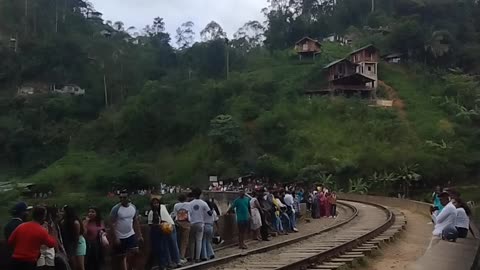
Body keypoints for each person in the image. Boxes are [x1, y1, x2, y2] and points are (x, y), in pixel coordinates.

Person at [110, 190, 144, 270]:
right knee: (122, 256)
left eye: (124, 197)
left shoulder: (133, 207)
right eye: (120, 198)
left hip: (130, 233)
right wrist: (116, 237)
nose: (122, 199)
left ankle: (131, 267)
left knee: (135, 251)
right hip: (120, 235)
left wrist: (139, 235)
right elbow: (112, 223)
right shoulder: (116, 208)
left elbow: (135, 221)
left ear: (128, 198)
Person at [148, 197, 182, 269]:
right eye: (154, 203)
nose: (156, 205)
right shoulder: (152, 213)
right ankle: (168, 263)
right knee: (164, 247)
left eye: (157, 203)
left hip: (167, 227)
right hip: (160, 230)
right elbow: (150, 224)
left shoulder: (162, 208)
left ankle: (175, 261)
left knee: (172, 245)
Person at [188, 188, 212, 262]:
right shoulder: (203, 203)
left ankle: (191, 256)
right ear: (200, 194)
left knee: (191, 241)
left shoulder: (190, 203)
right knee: (199, 240)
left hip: (192, 223)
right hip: (200, 223)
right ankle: (197, 258)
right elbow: (210, 213)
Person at [60, 206, 86, 270]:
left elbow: (76, 236)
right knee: (73, 264)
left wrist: (73, 248)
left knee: (80, 265)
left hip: (78, 242)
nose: (61, 213)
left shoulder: (75, 222)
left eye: (63, 211)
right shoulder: (63, 222)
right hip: (69, 243)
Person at [172, 194, 191, 261]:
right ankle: (182, 256)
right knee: (185, 241)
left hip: (178, 223)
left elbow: (174, 214)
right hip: (186, 223)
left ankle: (176, 256)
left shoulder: (176, 205)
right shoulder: (189, 204)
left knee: (177, 240)